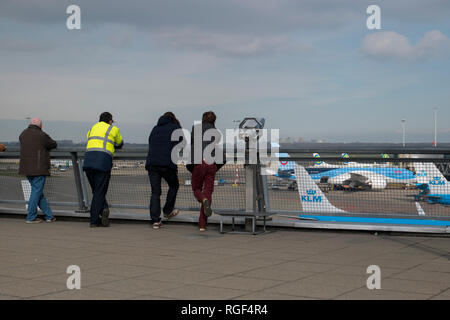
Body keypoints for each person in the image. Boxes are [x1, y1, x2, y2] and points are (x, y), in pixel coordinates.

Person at [83, 112, 123, 228]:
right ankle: (94, 221)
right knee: (99, 192)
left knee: (96, 191)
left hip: (88, 162)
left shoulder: (92, 128)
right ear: (110, 121)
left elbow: (89, 139)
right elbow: (120, 143)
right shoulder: (113, 129)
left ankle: (104, 208)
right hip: (103, 162)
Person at [145, 112, 182, 229]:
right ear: (173, 119)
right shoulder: (175, 128)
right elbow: (181, 142)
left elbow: (150, 141)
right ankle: (167, 211)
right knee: (174, 185)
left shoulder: (155, 128)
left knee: (155, 192)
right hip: (167, 163)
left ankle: (155, 220)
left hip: (152, 163)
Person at [188, 111, 223, 231]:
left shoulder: (196, 129)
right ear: (214, 120)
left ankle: (202, 199)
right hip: (211, 162)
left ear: (202, 119)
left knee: (196, 188)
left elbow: (193, 143)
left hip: (199, 162)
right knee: (208, 191)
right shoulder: (217, 132)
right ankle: (202, 225)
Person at [19, 118, 57, 223]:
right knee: (36, 192)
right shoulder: (42, 135)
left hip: (26, 167)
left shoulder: (23, 134)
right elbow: (53, 144)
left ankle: (49, 216)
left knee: (38, 192)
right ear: (40, 126)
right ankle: (31, 217)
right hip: (39, 168)